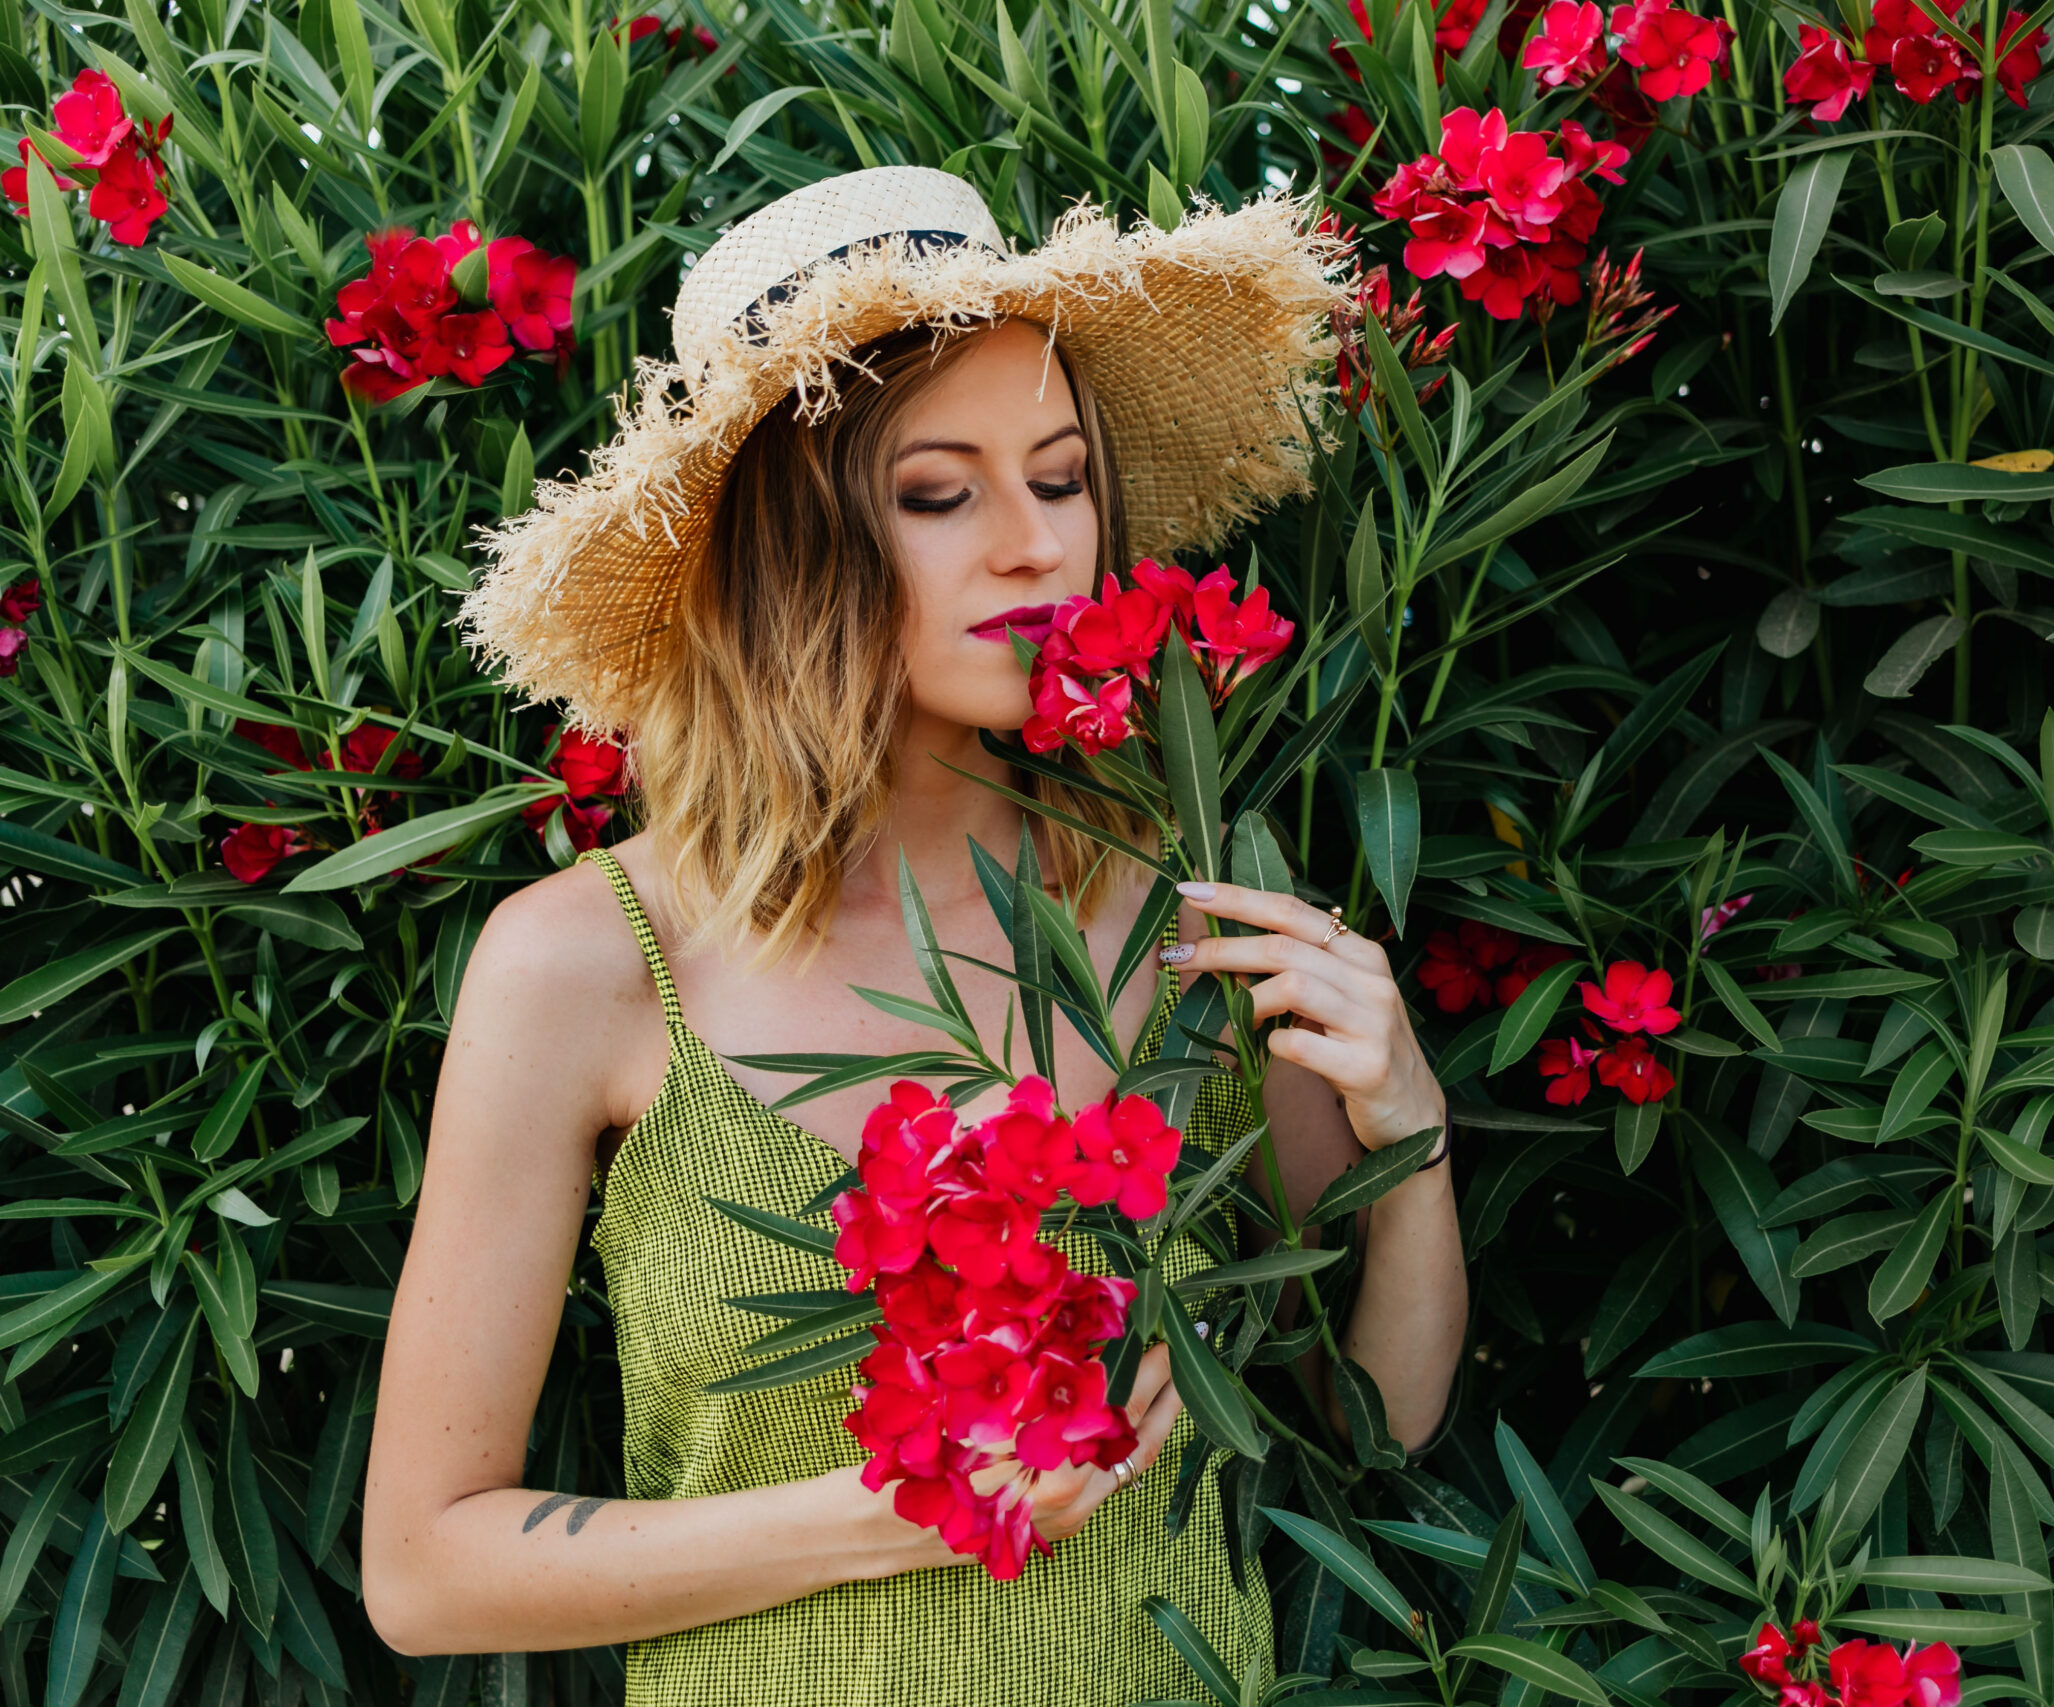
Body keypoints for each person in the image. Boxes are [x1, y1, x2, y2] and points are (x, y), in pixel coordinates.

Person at [365, 166, 1469, 1704]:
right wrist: (887, 1515)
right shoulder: (591, 965)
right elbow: (425, 1571)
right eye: (939, 493)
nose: (1034, 546)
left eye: (1063, 476)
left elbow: (1360, 1434)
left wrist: (1410, 1138)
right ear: (788, 551)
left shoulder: (1182, 903)